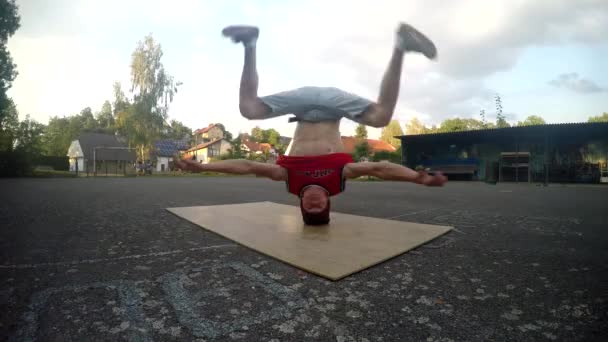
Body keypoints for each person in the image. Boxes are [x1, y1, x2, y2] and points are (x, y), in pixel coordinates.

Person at [175, 22, 447, 225]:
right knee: (381, 118)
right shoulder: (339, 179)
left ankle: (249, 42)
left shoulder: (288, 179)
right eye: (320, 207)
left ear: (301, 205)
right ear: (328, 202)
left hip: (302, 105)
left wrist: (202, 166)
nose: (315, 202)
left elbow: (247, 165)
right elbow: (380, 168)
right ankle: (402, 45)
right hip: (332, 105)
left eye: (310, 207)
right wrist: (416, 177)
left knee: (249, 108)